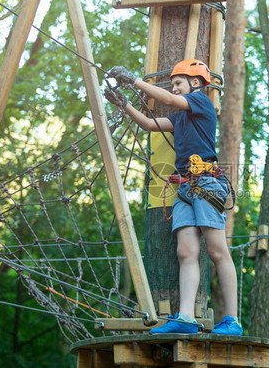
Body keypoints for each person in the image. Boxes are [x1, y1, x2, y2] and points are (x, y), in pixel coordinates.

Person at [104, 59, 242, 336]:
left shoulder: (202, 102)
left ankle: (232, 321)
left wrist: (133, 81)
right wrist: (123, 103)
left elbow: (166, 97)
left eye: (179, 82)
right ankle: (187, 317)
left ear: (196, 83)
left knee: (217, 251)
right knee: (185, 252)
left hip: (207, 184)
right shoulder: (180, 117)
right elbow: (148, 124)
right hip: (185, 188)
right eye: (174, 84)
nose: (175, 89)